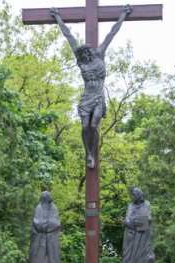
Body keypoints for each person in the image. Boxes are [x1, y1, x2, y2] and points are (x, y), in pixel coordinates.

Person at [50, 4, 132, 169]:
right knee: (84, 126)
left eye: (86, 53)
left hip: (98, 97)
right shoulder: (81, 61)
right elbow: (69, 36)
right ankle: (88, 153)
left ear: (89, 51)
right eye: (82, 54)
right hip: (86, 97)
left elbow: (111, 33)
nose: (85, 55)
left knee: (93, 125)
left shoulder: (99, 54)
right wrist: (58, 18)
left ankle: (92, 154)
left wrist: (122, 15)